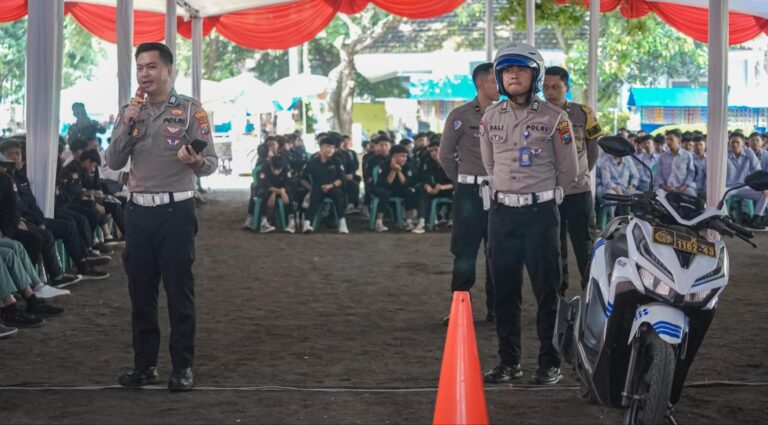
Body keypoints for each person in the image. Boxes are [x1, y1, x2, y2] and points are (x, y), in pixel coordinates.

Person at [106, 42, 218, 391]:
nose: (144, 74)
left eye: (151, 67)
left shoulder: (191, 111)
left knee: (178, 293)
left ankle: (182, 368)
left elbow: (211, 163)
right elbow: (113, 161)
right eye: (140, 67)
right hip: (137, 212)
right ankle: (145, 366)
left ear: (169, 70)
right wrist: (127, 124)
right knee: (141, 294)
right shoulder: (129, 111)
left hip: (175, 212)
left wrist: (196, 163)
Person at [479, 43, 578, 385]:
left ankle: (550, 363)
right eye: (507, 71)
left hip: (540, 214)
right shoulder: (490, 116)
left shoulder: (555, 119)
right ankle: (509, 362)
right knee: (504, 291)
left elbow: (569, 170)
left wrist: (540, 194)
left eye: (520, 70)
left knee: (547, 291)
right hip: (502, 214)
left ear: (535, 75)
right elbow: (490, 164)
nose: (513, 76)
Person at [437, 62, 499, 323]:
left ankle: (497, 310)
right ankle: (460, 310)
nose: (500, 85)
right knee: (464, 252)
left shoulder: (507, 114)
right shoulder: (460, 115)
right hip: (469, 193)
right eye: (495, 80)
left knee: (498, 252)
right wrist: (463, 181)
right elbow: (445, 155)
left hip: (499, 192)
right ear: (480, 83)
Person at [542, 66, 601, 293]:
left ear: (567, 87)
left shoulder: (583, 113)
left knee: (585, 245)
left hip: (578, 192)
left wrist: (579, 173)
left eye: (556, 87)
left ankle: (591, 292)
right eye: (546, 87)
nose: (550, 92)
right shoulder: (535, 114)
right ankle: (558, 294)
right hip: (548, 192)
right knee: (553, 247)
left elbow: (593, 150)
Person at [299, 133, 349, 234]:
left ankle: (342, 223)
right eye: (327, 147)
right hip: (318, 188)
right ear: (321, 147)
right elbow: (302, 178)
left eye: (332, 148)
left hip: (333, 187)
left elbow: (341, 179)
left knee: (337, 194)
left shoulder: (336, 161)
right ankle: (307, 223)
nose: (330, 150)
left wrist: (331, 185)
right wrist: (310, 187)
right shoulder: (312, 162)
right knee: (314, 195)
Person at [725, 132, 768, 231]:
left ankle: (756, 219)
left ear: (743, 143)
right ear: (729, 143)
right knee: (717, 196)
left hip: (744, 187)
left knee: (765, 194)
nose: (735, 144)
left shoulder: (749, 153)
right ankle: (725, 220)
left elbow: (757, 170)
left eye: (737, 142)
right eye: (732, 142)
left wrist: (763, 187)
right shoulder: (724, 154)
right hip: (728, 187)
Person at [372, 144, 417, 232]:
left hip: (400, 189)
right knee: (385, 193)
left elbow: (405, 183)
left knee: (409, 192)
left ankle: (409, 222)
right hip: (384, 188)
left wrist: (398, 171)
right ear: (394, 156)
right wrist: (393, 170)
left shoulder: (407, 166)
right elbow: (387, 183)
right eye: (402, 156)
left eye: (406, 156)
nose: (405, 159)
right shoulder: (384, 165)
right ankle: (379, 222)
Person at [413, 139, 454, 234]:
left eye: (436, 149)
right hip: (433, 190)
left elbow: (456, 182)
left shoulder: (451, 163)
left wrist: (442, 187)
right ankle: (422, 222)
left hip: (448, 190)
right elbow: (424, 178)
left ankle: (452, 220)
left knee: (458, 193)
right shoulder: (428, 163)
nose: (433, 153)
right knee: (422, 191)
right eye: (431, 151)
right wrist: (427, 186)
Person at [255, 154, 296, 233]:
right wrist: (277, 191)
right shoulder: (265, 167)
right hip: (268, 189)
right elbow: (263, 183)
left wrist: (283, 190)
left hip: (281, 189)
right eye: (274, 169)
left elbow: (289, 182)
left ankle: (291, 221)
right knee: (263, 193)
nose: (276, 172)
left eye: (279, 170)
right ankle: (263, 222)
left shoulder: (286, 168)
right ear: (271, 166)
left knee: (290, 193)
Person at [655, 129, 696, 197]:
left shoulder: (687, 155)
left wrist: (683, 186)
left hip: (682, 188)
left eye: (671, 139)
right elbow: (658, 174)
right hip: (665, 188)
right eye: (667, 140)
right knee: (658, 195)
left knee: (691, 193)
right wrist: (663, 186)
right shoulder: (662, 156)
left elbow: (691, 173)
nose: (668, 142)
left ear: (679, 140)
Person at [691, 134, 707, 200]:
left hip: (705, 189)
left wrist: (704, 189)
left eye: (700, 144)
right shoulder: (689, 158)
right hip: (692, 187)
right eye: (696, 145)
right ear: (693, 146)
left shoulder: (710, 159)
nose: (698, 147)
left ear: (705, 145)